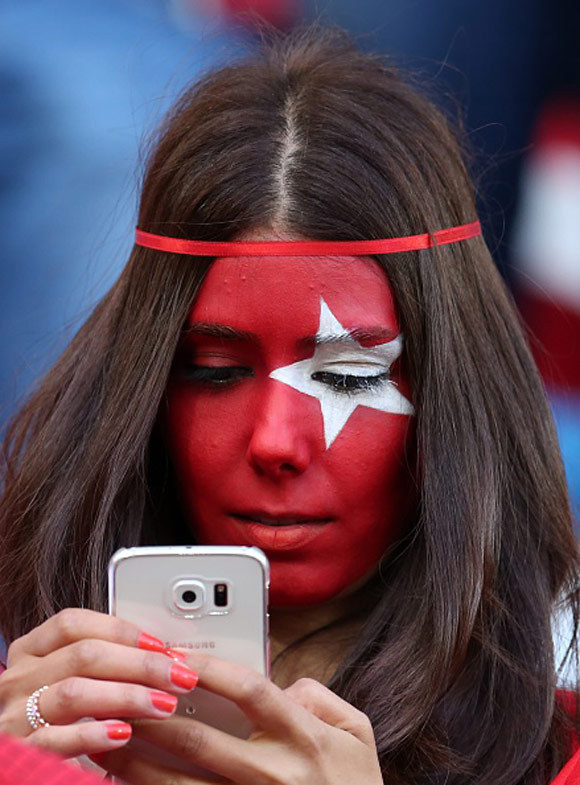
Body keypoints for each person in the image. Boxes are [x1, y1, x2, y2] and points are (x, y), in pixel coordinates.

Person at [0, 26, 578, 785]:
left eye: (348, 376)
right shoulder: (33, 726)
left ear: (454, 400)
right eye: (214, 372)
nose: (275, 440)